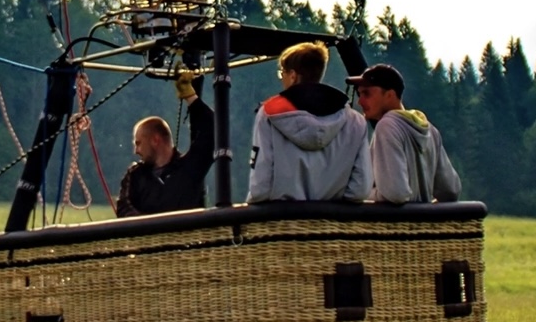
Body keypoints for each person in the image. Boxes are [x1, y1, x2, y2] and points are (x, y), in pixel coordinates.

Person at [246, 41, 371, 202]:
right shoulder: (355, 121)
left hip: (280, 222)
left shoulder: (269, 115)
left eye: (281, 74)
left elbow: (260, 187)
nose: (281, 79)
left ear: (292, 76)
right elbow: (360, 190)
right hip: (332, 223)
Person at [349, 63, 461, 204]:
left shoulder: (387, 126)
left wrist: (360, 194)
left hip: (393, 225)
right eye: (360, 94)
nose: (360, 101)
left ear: (390, 95)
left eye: (367, 93)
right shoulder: (430, 130)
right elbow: (450, 191)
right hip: (422, 225)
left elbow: (396, 194)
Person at [115, 70, 215, 216]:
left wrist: (191, 97)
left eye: (138, 143)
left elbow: (212, 131)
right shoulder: (135, 176)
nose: (136, 150)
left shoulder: (190, 168)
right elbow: (124, 209)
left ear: (155, 140)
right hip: (148, 238)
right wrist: (152, 231)